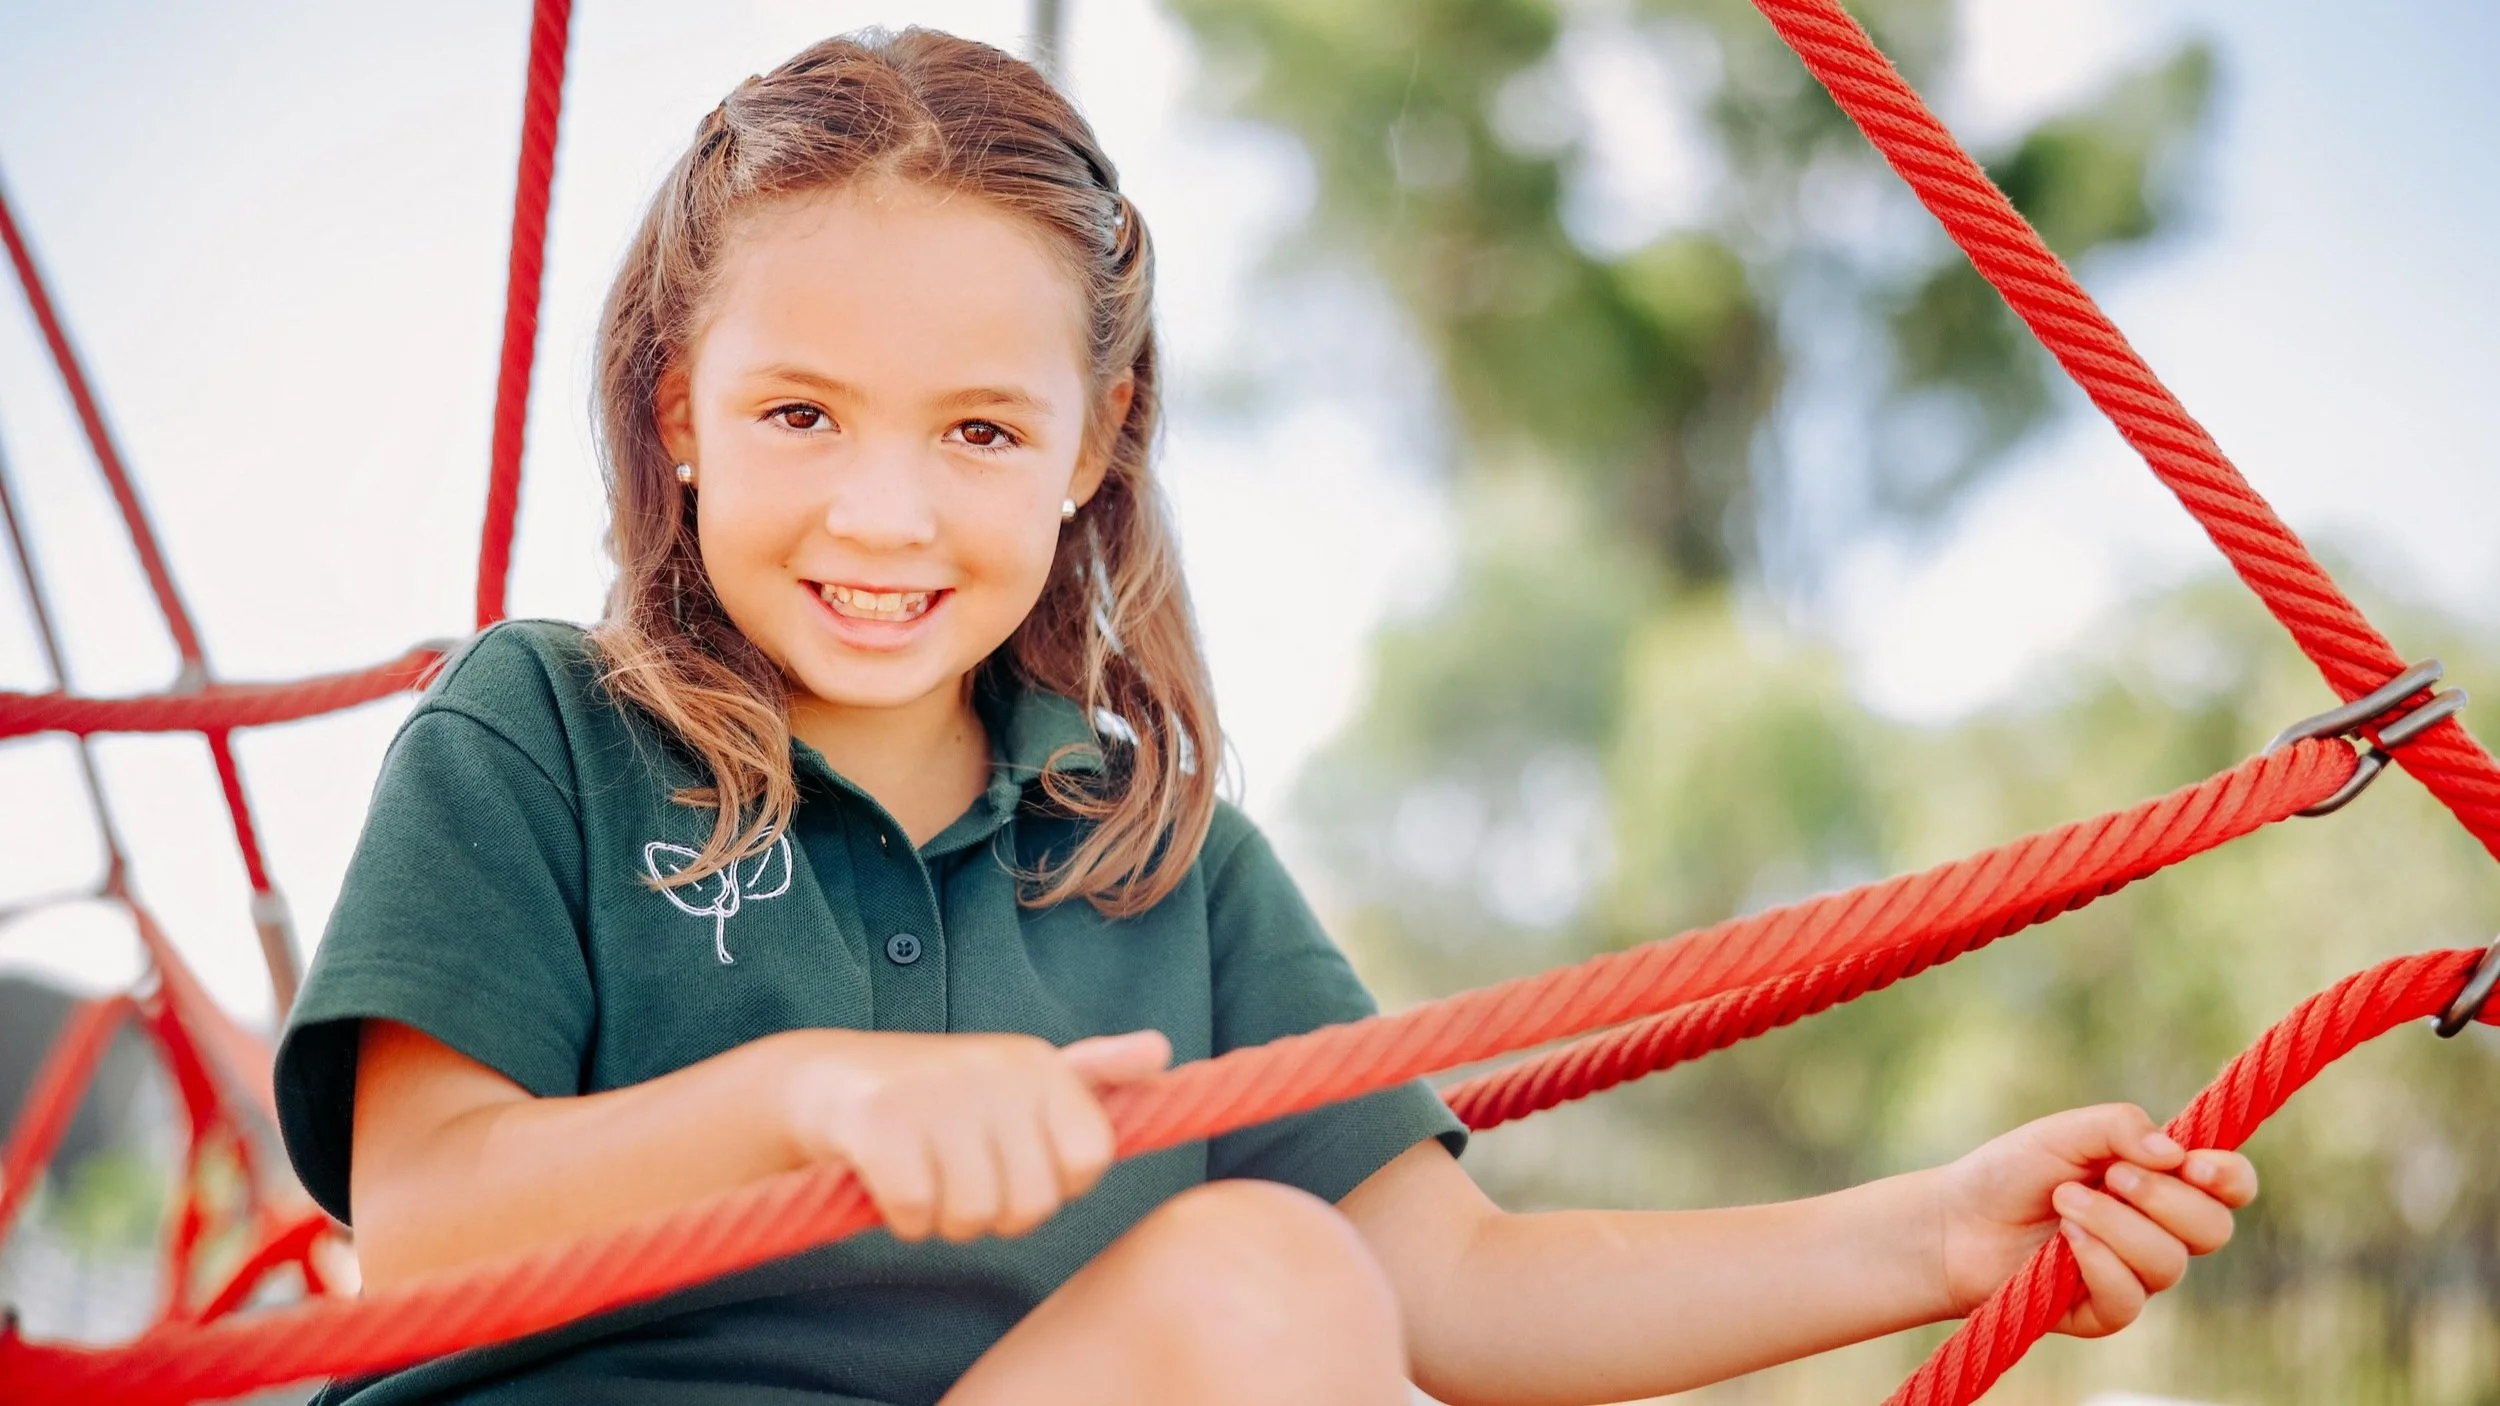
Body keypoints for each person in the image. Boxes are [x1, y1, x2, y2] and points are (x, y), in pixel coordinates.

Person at [272, 26, 2258, 1406]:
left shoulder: (1154, 858)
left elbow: (1451, 1285)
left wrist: (1928, 1236)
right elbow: (434, 1224)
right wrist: (814, 1093)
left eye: (977, 429)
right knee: (1254, 1272)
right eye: (801, 413)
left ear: (1087, 447)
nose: (881, 511)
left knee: (1279, 1275)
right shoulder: (535, 725)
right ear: (677, 409)